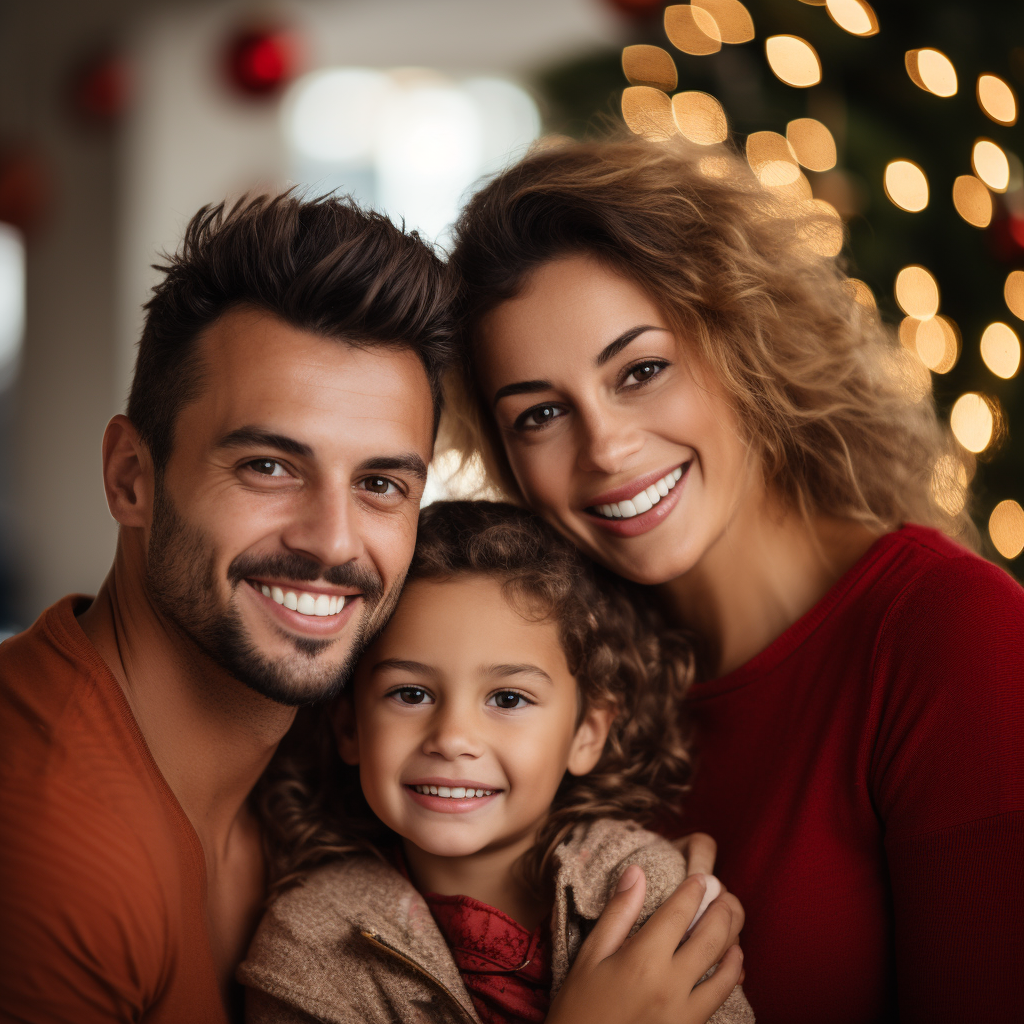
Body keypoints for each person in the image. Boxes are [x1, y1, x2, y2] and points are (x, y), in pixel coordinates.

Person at [0, 191, 743, 1024]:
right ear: (131, 477)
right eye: (269, 467)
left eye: (381, 484)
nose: (332, 541)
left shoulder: (303, 787)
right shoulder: (48, 851)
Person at [445, 133, 1024, 1024]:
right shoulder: (556, 684)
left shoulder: (955, 636)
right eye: (542, 414)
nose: (605, 449)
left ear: (741, 343)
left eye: (641, 370)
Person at [240, 499, 751, 1024]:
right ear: (349, 727)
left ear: (586, 734)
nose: (454, 738)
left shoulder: (646, 888)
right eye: (411, 694)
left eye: (508, 699)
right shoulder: (307, 946)